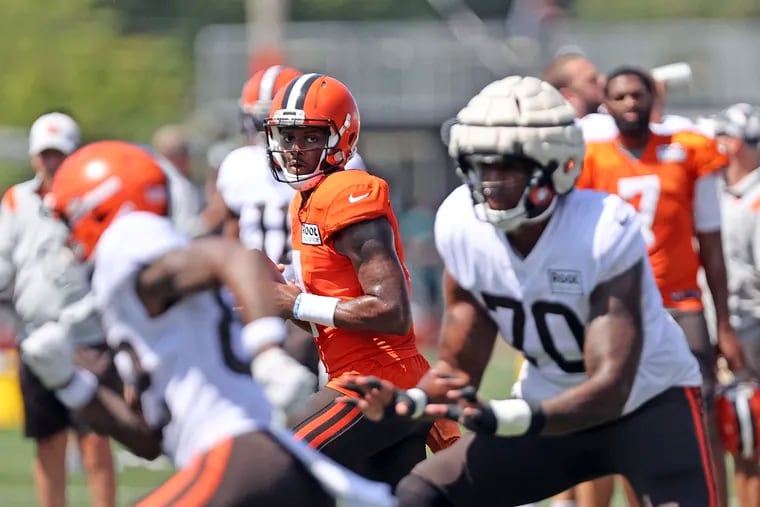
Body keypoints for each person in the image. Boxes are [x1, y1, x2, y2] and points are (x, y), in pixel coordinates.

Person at [340, 75, 718, 506]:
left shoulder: (600, 229)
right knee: (422, 492)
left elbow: (611, 387)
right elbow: (458, 369)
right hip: (545, 411)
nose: (491, 181)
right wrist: (412, 403)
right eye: (481, 165)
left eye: (507, 165)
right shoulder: (462, 224)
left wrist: (509, 416)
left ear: (557, 163)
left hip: (648, 406)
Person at [22, 140, 396, 507]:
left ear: (98, 209)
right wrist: (69, 384)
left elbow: (234, 258)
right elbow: (148, 443)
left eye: (69, 217)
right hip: (253, 464)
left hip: (237, 460)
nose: (68, 236)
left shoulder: (126, 243)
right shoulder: (133, 298)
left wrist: (265, 348)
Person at [263, 73, 460, 487]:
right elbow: (333, 319)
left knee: (273, 469)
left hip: (376, 380)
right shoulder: (305, 200)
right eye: (287, 137)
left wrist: (294, 303)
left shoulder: (347, 192)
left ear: (342, 138)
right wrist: (283, 299)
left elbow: (391, 311)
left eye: (311, 138)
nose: (295, 150)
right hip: (367, 376)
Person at [576, 66, 750, 505]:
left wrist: (723, 324)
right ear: (606, 104)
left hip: (680, 302)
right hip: (616, 304)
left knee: (703, 415)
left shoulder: (688, 150)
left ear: (655, 99)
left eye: (639, 94)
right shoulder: (591, 154)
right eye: (620, 96)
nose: (630, 103)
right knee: (618, 417)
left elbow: (709, 244)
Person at [0, 112, 117, 507]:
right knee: (47, 438)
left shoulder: (93, 197)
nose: (51, 162)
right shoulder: (17, 199)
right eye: (45, 154)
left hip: (87, 336)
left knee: (95, 437)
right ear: (35, 157)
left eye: (59, 154)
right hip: (35, 334)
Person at [711, 103, 760, 507]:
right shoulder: (715, 191)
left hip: (749, 330)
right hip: (718, 327)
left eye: (725, 138)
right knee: (718, 439)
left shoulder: (756, 196)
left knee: (749, 439)